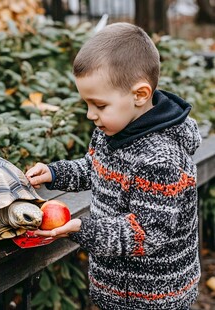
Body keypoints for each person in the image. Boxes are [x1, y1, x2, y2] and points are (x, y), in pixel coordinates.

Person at [26, 22, 202, 310]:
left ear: (140, 95)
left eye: (99, 105)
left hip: (155, 298)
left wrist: (82, 229)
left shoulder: (162, 161)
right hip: (115, 290)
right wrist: (55, 174)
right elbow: (96, 168)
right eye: (87, 104)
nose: (90, 114)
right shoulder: (112, 131)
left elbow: (145, 233)